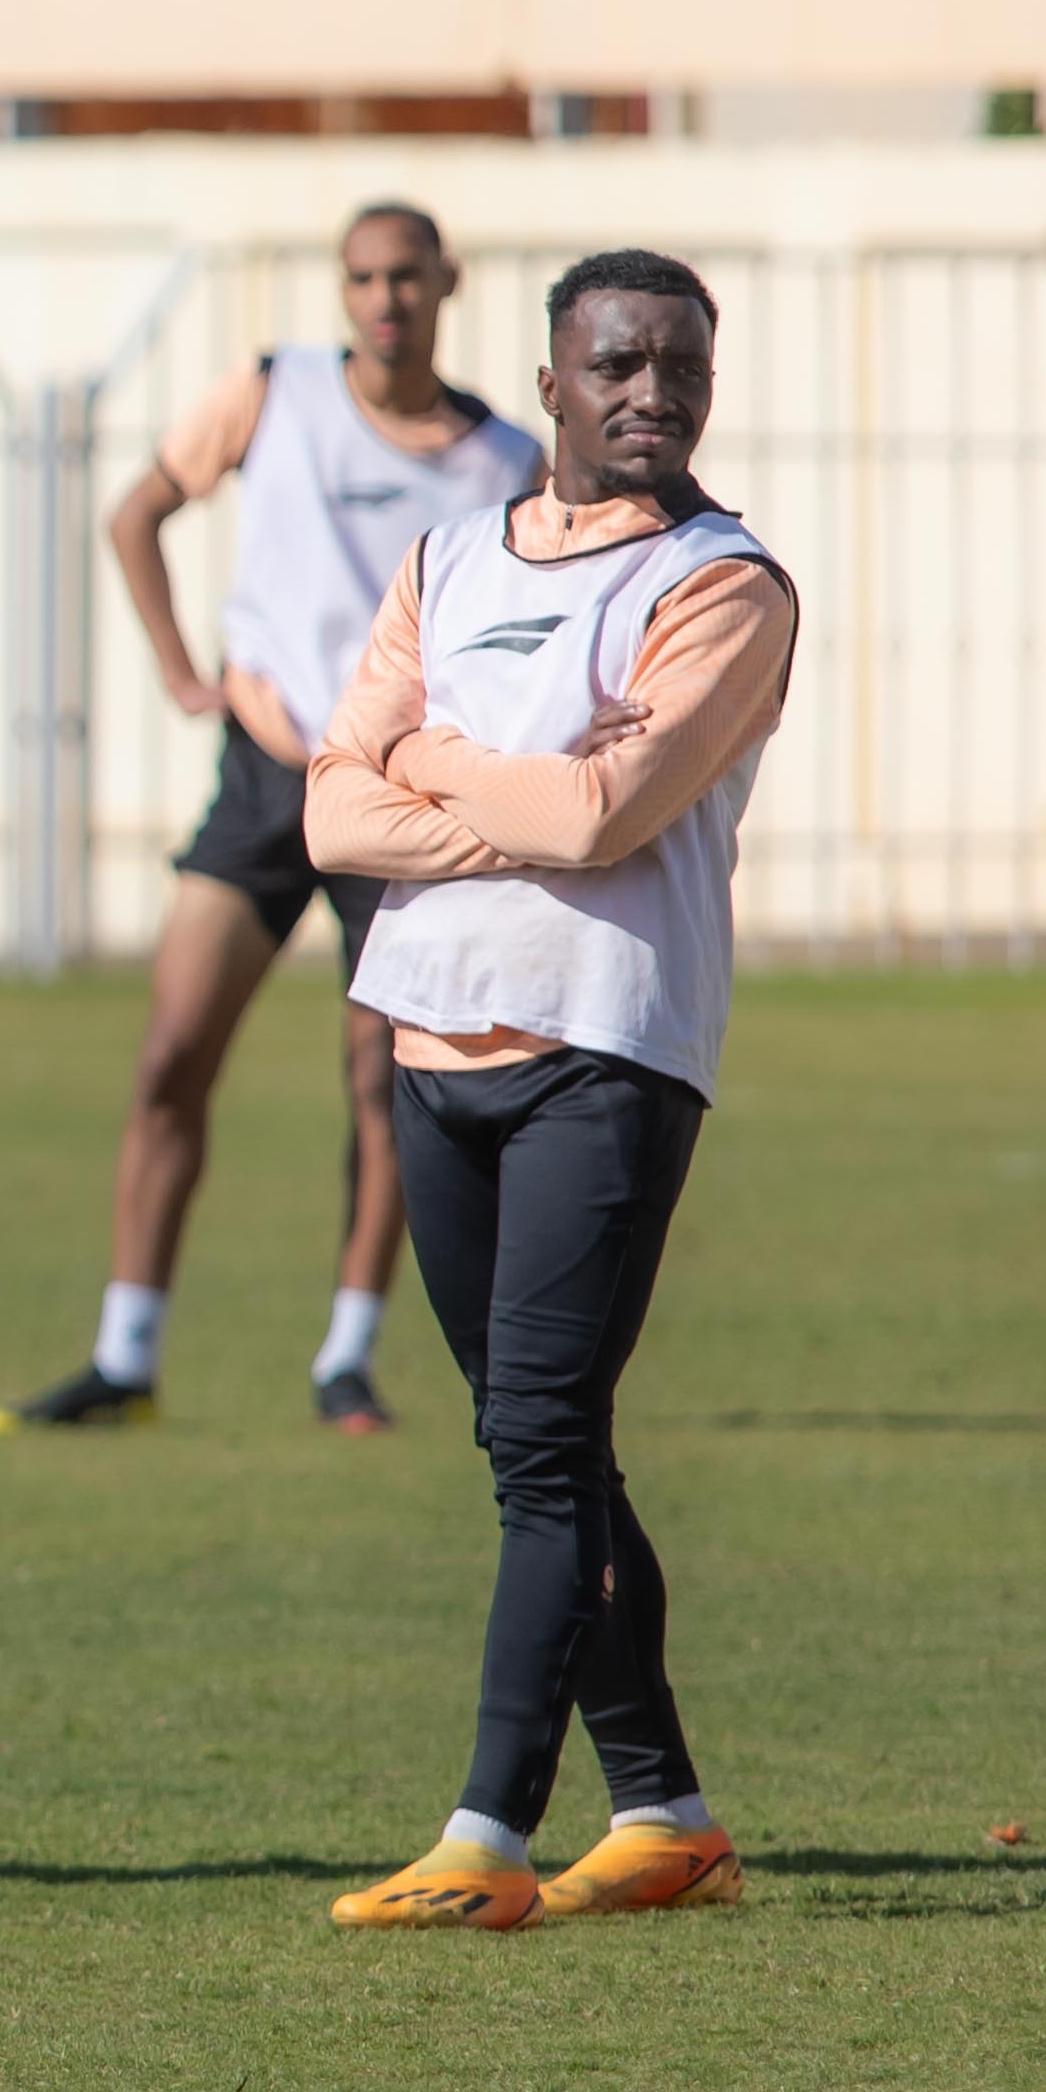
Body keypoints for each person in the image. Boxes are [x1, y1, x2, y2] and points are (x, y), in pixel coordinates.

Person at [304, 247, 794, 1931]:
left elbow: (605, 817)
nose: (648, 393)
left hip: (602, 1045)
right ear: (549, 387)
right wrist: (504, 789)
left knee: (531, 1444)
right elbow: (322, 815)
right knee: (543, 1444)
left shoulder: (720, 583)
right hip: (427, 1041)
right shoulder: (443, 561)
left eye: (677, 368)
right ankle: (660, 1811)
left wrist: (424, 766)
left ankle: (484, 1838)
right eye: (616, 365)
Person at [0, 206, 539, 1436]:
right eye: (362, 278)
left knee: (383, 1083)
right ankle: (126, 1356)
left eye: (406, 275)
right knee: (173, 1050)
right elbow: (136, 513)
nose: (384, 297)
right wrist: (190, 674)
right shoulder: (275, 390)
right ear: (339, 290)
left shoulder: (503, 457)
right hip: (266, 779)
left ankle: (349, 1355)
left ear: (446, 282)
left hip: (398, 800)